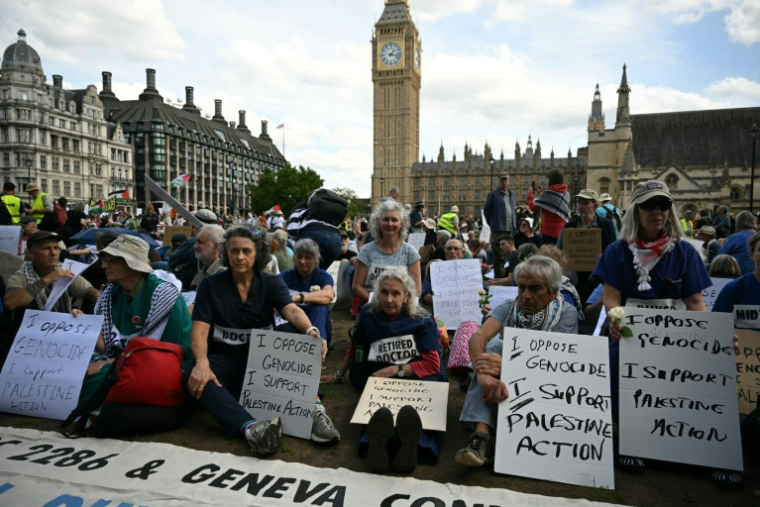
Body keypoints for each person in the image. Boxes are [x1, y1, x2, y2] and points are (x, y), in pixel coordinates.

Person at [593, 180, 713, 474]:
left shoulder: (685, 253)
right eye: (649, 205)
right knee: (613, 360)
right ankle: (630, 440)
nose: (657, 212)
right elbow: (611, 297)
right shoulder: (617, 251)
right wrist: (617, 319)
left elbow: (696, 302)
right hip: (629, 332)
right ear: (636, 210)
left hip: (674, 338)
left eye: (663, 205)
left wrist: (711, 338)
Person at [186, 227, 336, 455]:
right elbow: (199, 331)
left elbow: (292, 311)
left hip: (264, 356)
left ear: (258, 254)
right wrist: (201, 362)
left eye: (246, 251)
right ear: (226, 253)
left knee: (295, 340)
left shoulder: (271, 283)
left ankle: (314, 409)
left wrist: (310, 329)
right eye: (234, 251)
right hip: (224, 358)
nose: (240, 257)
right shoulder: (210, 285)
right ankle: (252, 428)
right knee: (195, 377)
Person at [456, 256, 578, 467]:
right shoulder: (509, 306)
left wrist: (510, 366)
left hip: (547, 383)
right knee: (493, 347)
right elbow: (478, 337)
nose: (525, 296)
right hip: (502, 381)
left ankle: (485, 432)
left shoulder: (567, 314)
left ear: (553, 293)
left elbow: (559, 362)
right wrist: (484, 374)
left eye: (535, 289)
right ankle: (481, 437)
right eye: (521, 288)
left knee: (495, 349)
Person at [331, 270, 446, 474]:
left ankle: (413, 447)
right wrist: (338, 375)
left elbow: (432, 365)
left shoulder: (422, 319)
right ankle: (380, 447)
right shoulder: (368, 313)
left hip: (416, 374)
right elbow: (355, 345)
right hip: (381, 376)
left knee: (417, 409)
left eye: (396, 294)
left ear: (406, 297)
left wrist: (396, 370)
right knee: (380, 411)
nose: (389, 299)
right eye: (384, 292)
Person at [77, 235, 192, 401]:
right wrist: (85, 325)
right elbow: (107, 346)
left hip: (162, 362)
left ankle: (84, 416)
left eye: (110, 260)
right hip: (123, 358)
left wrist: (108, 364)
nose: (104, 265)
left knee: (99, 377)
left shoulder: (164, 294)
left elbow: (160, 353)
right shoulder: (111, 292)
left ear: (130, 263)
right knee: (75, 366)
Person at [4, 231, 99, 318]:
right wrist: (48, 278)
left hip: (61, 327)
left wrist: (102, 296)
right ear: (31, 253)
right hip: (31, 331)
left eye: (56, 248)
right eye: (46, 248)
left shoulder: (65, 270)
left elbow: (92, 293)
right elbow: (10, 303)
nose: (53, 253)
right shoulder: (21, 276)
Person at [353, 200, 422, 307]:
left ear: (401, 224)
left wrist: (396, 303)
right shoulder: (366, 251)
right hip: (372, 307)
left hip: (401, 309)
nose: (390, 224)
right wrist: (378, 302)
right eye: (386, 219)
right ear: (378, 223)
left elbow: (416, 290)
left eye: (394, 220)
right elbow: (357, 287)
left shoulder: (411, 253)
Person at [556, 189, 617, 300]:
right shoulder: (569, 227)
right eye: (579, 203)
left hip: (598, 269)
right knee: (565, 277)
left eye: (585, 203)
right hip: (573, 269)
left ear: (595, 205)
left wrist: (605, 257)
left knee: (595, 279)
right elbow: (558, 250)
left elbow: (615, 249)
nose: (580, 206)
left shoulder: (607, 226)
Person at [278, 239, 335, 344]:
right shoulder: (285, 276)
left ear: (316, 259)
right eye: (299, 257)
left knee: (319, 306)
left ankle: (316, 345)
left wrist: (299, 297)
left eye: (308, 258)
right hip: (295, 322)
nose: (302, 261)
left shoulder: (322, 276)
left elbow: (329, 294)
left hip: (319, 322)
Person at [483, 174, 517, 278]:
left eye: (505, 179)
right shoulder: (493, 194)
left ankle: (509, 278)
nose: (504, 182)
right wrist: (490, 226)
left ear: (508, 181)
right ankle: (500, 278)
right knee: (498, 256)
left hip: (510, 229)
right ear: (498, 181)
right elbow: (486, 211)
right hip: (498, 229)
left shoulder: (512, 194)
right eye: (502, 180)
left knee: (511, 255)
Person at [527, 169, 571, 246]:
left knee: (547, 255)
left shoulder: (549, 194)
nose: (547, 181)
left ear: (551, 180)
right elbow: (550, 204)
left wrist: (530, 194)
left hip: (549, 233)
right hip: (562, 233)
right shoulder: (566, 194)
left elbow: (533, 206)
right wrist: (541, 194)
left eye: (548, 179)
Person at [717, 210, 756, 275]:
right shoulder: (757, 236)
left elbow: (719, 257)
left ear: (737, 222)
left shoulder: (735, 238)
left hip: (739, 276)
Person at [190, 224, 225, 289]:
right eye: (196, 242)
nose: (195, 246)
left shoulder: (222, 272)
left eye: (200, 242)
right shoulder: (207, 267)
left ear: (216, 246)